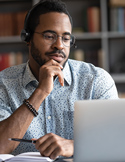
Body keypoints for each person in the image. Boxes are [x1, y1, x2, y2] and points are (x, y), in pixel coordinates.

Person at [0, 0, 118, 159]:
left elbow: (116, 142)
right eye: (49, 36)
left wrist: (74, 145)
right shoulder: (4, 83)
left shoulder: (96, 80)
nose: (59, 45)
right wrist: (40, 92)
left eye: (66, 38)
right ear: (27, 38)